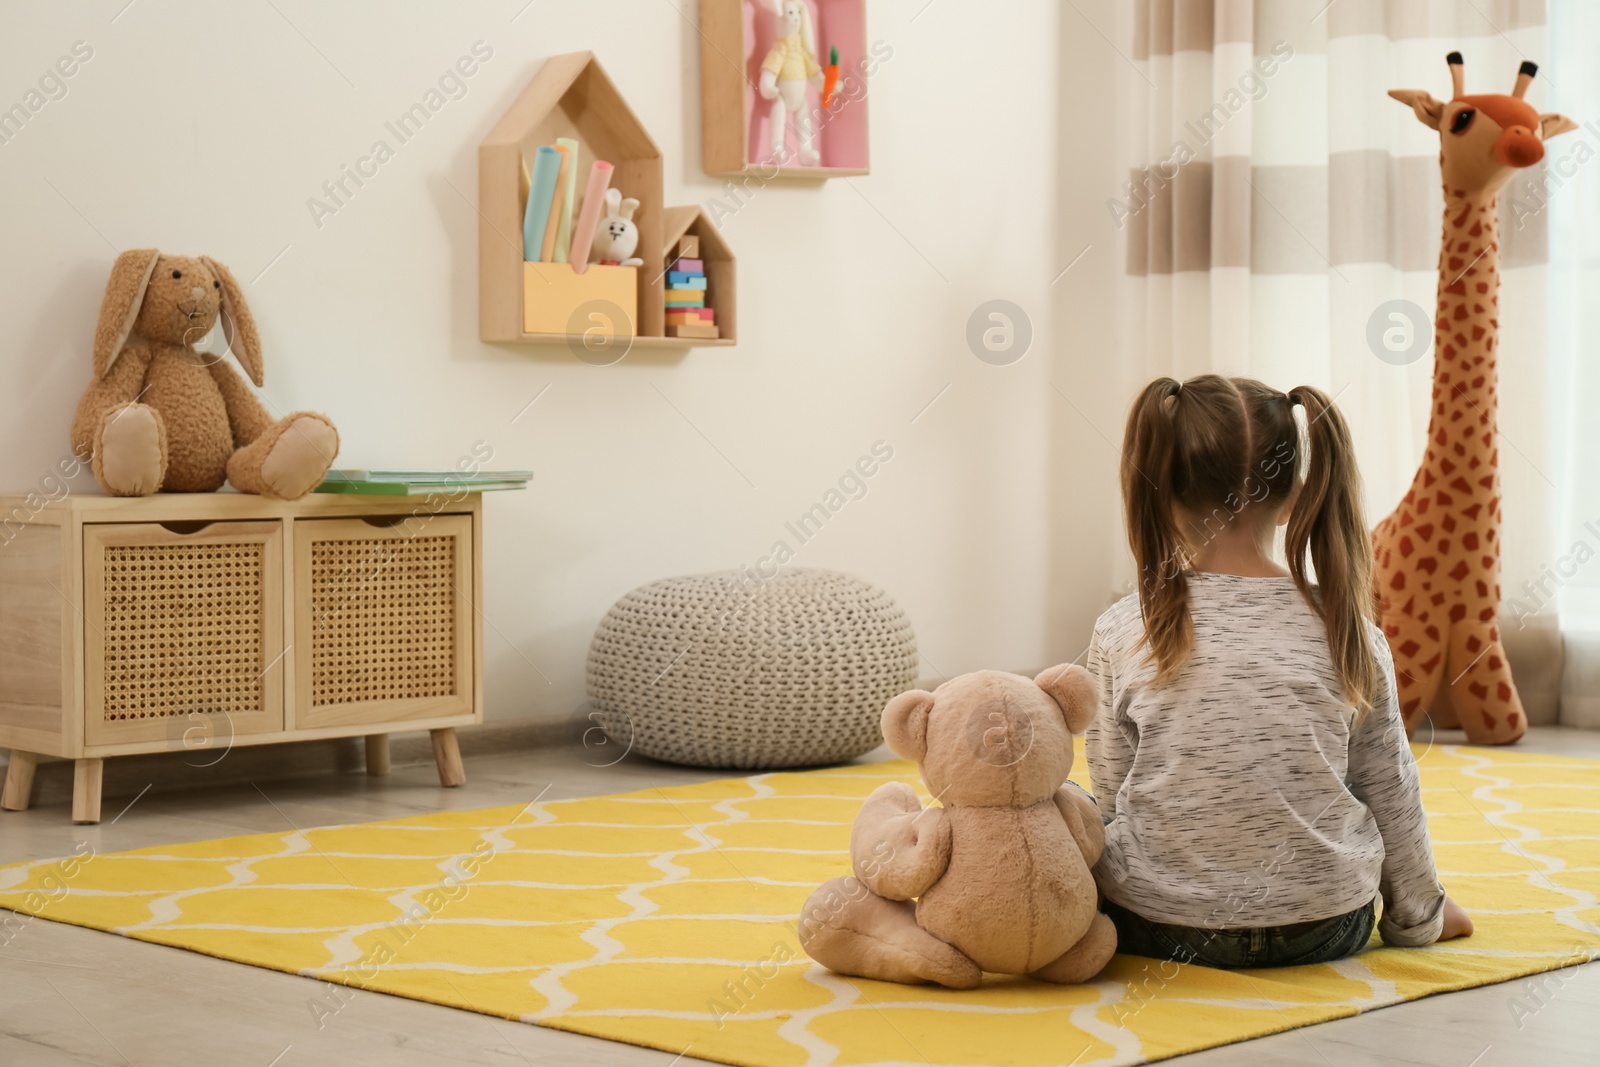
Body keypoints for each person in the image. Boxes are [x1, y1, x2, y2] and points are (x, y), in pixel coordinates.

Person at [1084, 374, 1472, 968]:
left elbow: (1113, 792)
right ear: (1294, 496)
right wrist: (1420, 914)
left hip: (1159, 925)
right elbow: (1388, 785)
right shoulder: (1350, 630)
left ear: (1163, 490)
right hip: (1325, 925)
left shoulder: (1121, 627)